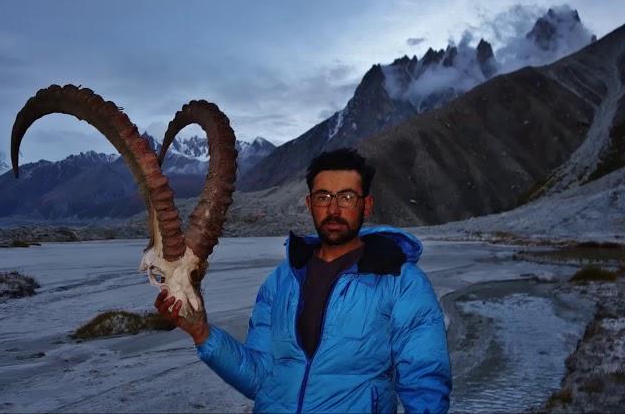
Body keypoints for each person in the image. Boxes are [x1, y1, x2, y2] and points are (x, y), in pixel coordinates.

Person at [156, 148, 451, 413]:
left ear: (367, 205)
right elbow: (259, 379)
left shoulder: (402, 282)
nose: (334, 209)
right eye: (323, 197)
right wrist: (203, 333)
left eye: (347, 197)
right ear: (309, 204)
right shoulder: (281, 281)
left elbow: (425, 381)